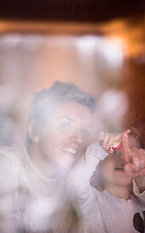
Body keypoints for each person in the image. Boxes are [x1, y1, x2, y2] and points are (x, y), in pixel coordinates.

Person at [0, 81, 96, 233]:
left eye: (85, 131)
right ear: (34, 131)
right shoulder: (6, 167)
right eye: (65, 125)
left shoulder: (73, 185)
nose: (79, 138)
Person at [67, 129, 145, 233]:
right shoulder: (91, 202)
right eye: (113, 152)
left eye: (131, 153)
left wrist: (144, 175)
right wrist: (101, 147)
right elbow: (75, 182)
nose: (122, 158)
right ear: (98, 163)